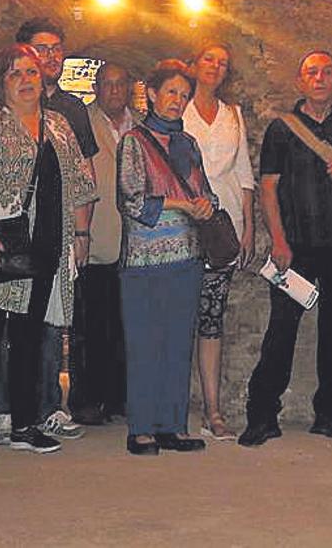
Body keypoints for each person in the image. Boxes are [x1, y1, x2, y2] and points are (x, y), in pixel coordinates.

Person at [0, 44, 96, 459]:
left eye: (31, 71)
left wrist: (80, 235)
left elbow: (81, 185)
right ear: (1, 82)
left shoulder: (59, 125)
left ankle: (24, 425)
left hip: (45, 245)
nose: (26, 80)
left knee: (30, 338)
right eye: (15, 73)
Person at [239, 50, 332, 446]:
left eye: (327, 72)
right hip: (295, 246)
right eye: (312, 72)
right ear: (301, 81)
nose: (319, 78)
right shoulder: (282, 130)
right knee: (281, 331)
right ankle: (262, 414)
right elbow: (268, 188)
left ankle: (329, 413)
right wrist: (278, 241)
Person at [117, 59, 214, 456]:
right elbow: (131, 200)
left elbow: (205, 192)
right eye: (171, 92)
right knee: (144, 343)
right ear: (153, 94)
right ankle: (141, 428)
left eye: (184, 95)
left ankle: (173, 425)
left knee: (178, 343)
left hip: (186, 257)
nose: (177, 100)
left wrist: (205, 205)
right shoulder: (133, 142)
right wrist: (182, 205)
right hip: (144, 261)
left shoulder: (189, 144)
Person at [14, 17, 98, 441]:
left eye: (56, 49)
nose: (50, 57)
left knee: (52, 322)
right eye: (41, 49)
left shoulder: (72, 110)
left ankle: (48, 406)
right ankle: (7, 408)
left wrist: (83, 233)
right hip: (15, 229)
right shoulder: (5, 104)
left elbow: (86, 175)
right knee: (11, 317)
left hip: (59, 230)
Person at [183, 41, 255, 441]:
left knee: (212, 319)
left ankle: (213, 410)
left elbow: (244, 174)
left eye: (223, 62)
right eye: (208, 59)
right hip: (182, 225)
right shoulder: (178, 108)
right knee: (179, 319)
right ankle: (173, 407)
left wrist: (248, 227)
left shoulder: (233, 115)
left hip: (223, 228)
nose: (215, 66)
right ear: (194, 64)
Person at [70, 60, 135, 425]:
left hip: (133, 243)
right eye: (106, 83)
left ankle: (119, 396)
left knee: (126, 325)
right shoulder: (82, 122)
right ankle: (88, 398)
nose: (114, 90)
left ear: (130, 88)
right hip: (96, 238)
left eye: (120, 83)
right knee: (90, 325)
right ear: (96, 88)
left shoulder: (141, 126)